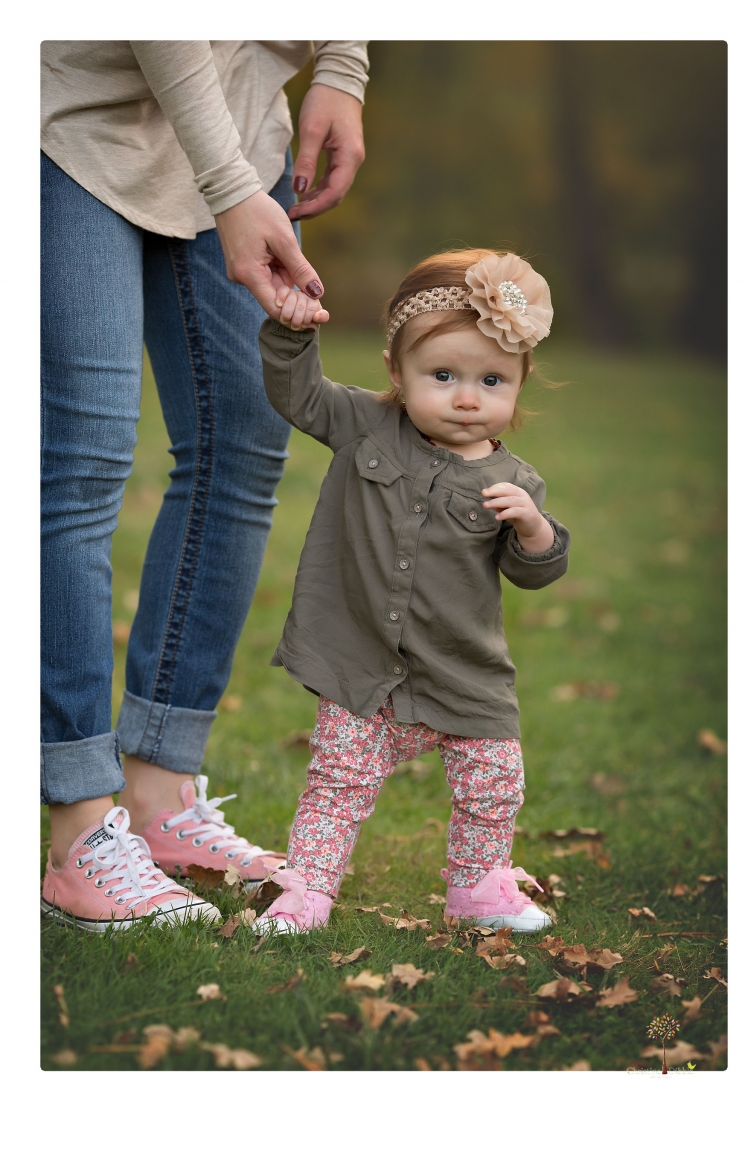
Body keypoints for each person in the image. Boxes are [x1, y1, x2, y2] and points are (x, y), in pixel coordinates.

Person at [40, 40, 369, 929]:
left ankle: (157, 794)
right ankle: (78, 828)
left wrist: (342, 65)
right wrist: (231, 189)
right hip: (75, 127)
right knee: (81, 462)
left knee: (245, 445)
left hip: (233, 129)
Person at [252, 248, 571, 935]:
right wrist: (291, 332)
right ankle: (306, 887)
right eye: (443, 375)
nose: (466, 396)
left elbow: (532, 571)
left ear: (519, 383)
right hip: (361, 659)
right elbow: (298, 395)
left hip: (462, 668)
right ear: (397, 372)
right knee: (340, 780)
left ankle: (479, 887)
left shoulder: (516, 483)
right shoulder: (365, 425)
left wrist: (536, 530)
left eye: (492, 380)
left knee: (493, 778)